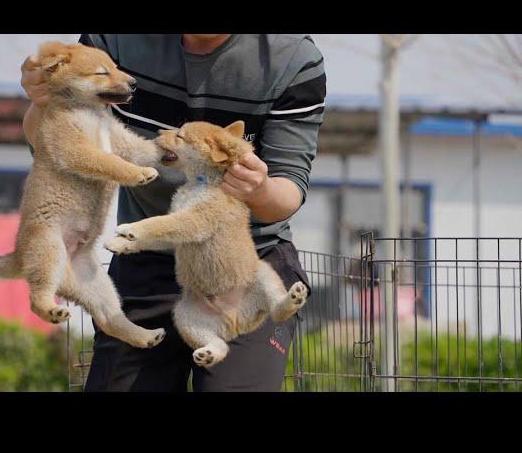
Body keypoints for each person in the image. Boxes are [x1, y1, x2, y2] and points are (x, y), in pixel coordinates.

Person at [20, 34, 326, 392]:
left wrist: (259, 189)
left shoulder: (292, 58)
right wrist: (43, 103)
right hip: (146, 260)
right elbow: (52, 142)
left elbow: (289, 188)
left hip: (242, 263)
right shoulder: (113, 41)